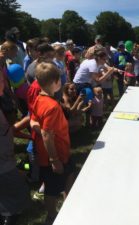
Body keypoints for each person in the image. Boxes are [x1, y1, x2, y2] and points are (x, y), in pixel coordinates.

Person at [30, 62, 74, 225]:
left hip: (47, 154)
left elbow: (33, 121)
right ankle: (51, 216)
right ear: (55, 82)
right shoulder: (53, 106)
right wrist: (54, 160)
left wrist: (39, 128)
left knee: (69, 175)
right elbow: (47, 134)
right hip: (56, 155)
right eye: (61, 79)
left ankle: (68, 206)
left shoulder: (39, 98)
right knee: (52, 189)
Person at [0, 71, 30, 225]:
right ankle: (9, 217)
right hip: (4, 165)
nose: (4, 83)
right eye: (1, 80)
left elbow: (7, 131)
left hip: (6, 160)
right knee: (16, 192)